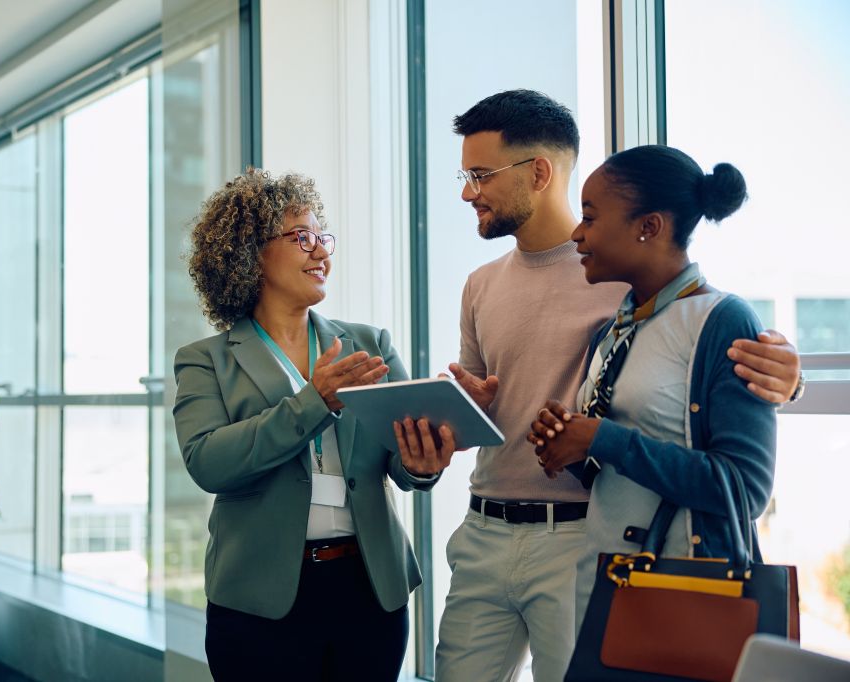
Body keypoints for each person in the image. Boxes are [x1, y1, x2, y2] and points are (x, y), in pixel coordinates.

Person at [394, 90, 802, 682]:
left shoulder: (626, 281)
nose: (467, 192)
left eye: (480, 174)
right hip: (484, 530)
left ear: (538, 172)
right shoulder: (485, 286)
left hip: (582, 538)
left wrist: (792, 378)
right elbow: (498, 416)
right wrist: (447, 430)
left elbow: (715, 350)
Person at [173, 168, 450, 681]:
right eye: (303, 238)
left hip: (370, 588)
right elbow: (209, 463)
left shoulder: (370, 343)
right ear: (249, 252)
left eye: (325, 238)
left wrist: (423, 462)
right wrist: (313, 402)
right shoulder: (205, 360)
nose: (322, 252)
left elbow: (403, 461)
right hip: (259, 597)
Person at [527, 145, 777, 635]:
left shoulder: (723, 320)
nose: (577, 234)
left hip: (683, 591)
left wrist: (601, 438)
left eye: (591, 217)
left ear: (650, 226)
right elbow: (615, 471)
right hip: (603, 585)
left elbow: (744, 490)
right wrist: (569, 444)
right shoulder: (615, 329)